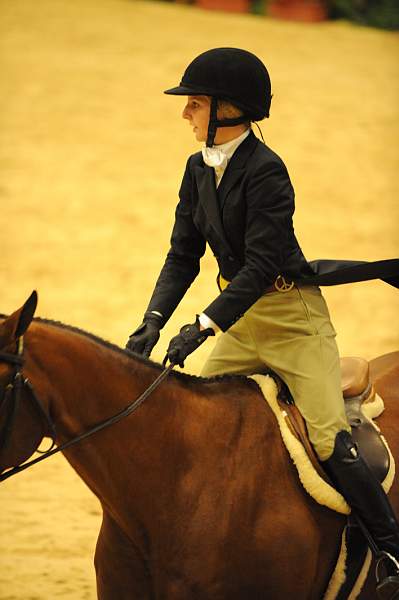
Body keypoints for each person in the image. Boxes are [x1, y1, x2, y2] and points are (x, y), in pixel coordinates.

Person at [126, 48, 399, 593]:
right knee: (195, 425)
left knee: (327, 437)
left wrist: (204, 325)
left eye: (195, 104)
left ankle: (392, 552)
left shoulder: (268, 171)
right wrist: (153, 321)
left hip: (290, 317)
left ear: (229, 110)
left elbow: (261, 263)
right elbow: (183, 254)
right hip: (239, 316)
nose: (186, 115)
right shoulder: (196, 168)